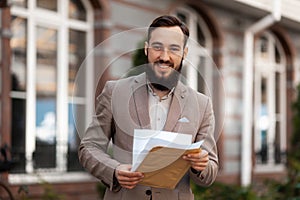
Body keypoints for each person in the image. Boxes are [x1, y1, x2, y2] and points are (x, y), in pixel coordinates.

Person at [78, 15, 218, 200]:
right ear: (146, 49)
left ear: (184, 53)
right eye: (157, 47)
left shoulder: (202, 104)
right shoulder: (115, 91)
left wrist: (201, 164)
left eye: (174, 49)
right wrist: (114, 170)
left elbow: (210, 171)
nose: (164, 57)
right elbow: (89, 147)